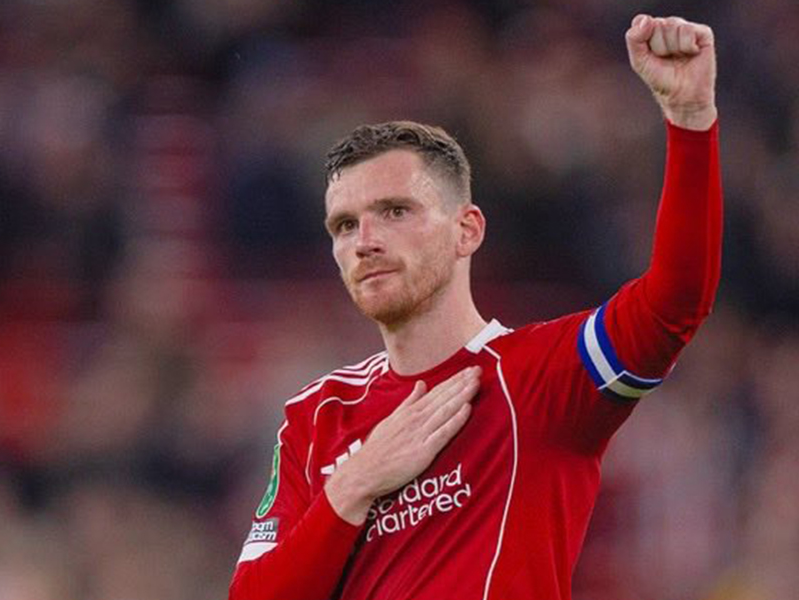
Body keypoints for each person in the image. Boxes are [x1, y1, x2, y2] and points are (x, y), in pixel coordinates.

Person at [229, 13, 721, 600]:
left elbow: (675, 301)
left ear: (467, 230)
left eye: (395, 211)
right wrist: (354, 486)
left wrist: (691, 119)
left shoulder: (540, 379)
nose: (364, 242)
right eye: (345, 225)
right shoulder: (316, 417)